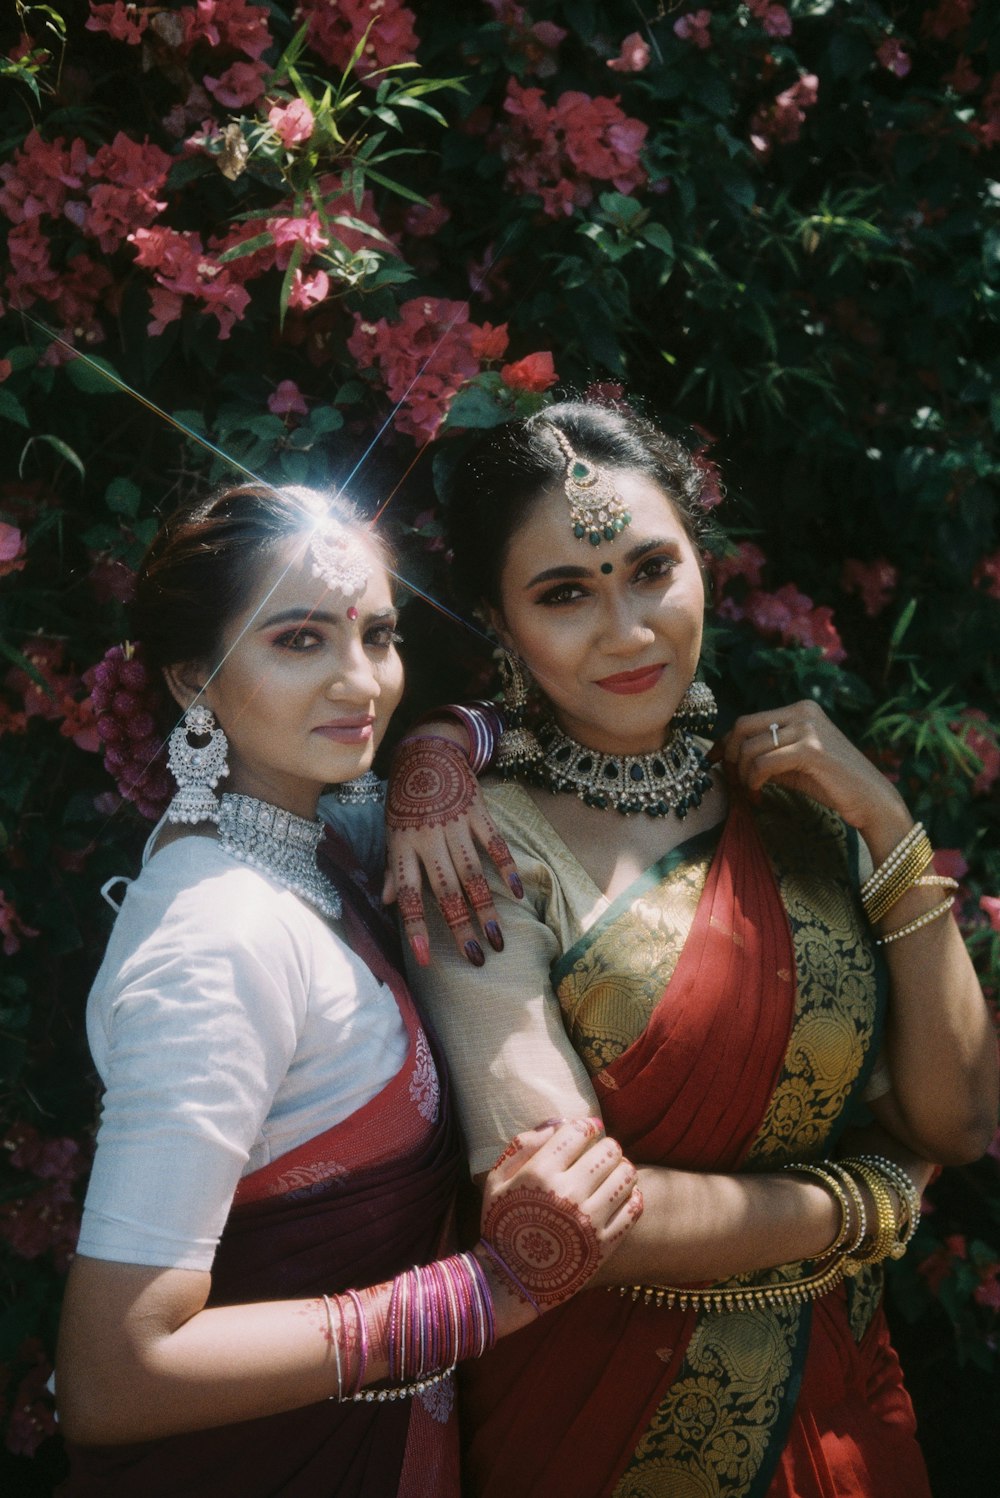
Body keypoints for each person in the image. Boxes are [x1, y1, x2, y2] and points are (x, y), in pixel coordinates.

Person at [392, 401, 998, 1497]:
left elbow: (957, 1117)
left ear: (701, 570)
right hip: (597, 1422)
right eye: (564, 593)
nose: (626, 628)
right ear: (498, 621)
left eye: (649, 569)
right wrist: (873, 1202)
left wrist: (889, 825)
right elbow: (575, 1220)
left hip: (844, 1397)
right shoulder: (480, 844)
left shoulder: (798, 808)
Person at [54, 480, 643, 1498]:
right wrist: (485, 1293)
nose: (361, 680)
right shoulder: (218, 936)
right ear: (196, 677)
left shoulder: (318, 843)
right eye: (299, 640)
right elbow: (116, 1372)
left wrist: (438, 751)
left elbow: (554, 715)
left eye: (378, 633)